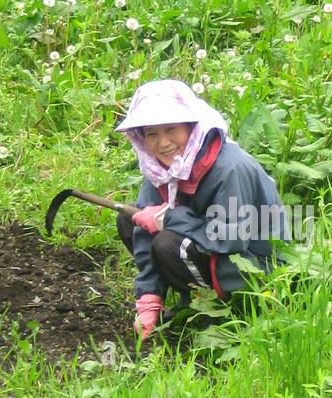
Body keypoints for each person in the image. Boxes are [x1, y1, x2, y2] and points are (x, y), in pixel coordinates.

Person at [115, 79, 286, 342]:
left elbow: (233, 237)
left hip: (255, 266)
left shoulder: (228, 168)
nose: (163, 143)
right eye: (152, 134)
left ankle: (219, 308)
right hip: (210, 248)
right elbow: (146, 223)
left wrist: (168, 218)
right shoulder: (160, 168)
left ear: (192, 127)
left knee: (167, 243)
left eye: (171, 129)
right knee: (132, 217)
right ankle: (178, 298)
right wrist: (148, 294)